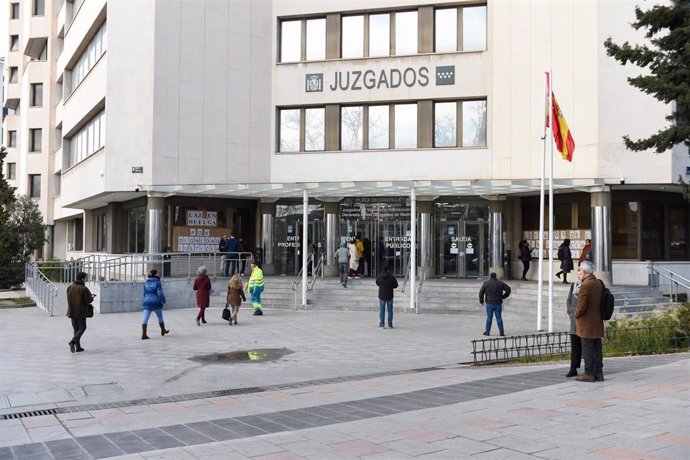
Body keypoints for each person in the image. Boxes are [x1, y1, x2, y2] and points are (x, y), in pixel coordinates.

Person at [574, 260, 605, 382]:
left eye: (580, 270)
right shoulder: (598, 283)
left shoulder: (585, 285)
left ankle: (589, 373)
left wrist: (576, 314)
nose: (579, 272)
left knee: (587, 348)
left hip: (586, 323)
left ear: (585, 271)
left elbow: (582, 305)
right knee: (597, 348)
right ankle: (599, 372)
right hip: (597, 321)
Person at [66, 271, 95, 353]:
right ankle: (73, 341)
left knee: (76, 329)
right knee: (82, 327)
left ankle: (78, 347)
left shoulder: (70, 287)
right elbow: (88, 300)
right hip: (81, 311)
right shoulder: (83, 288)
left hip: (71, 311)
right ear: (82, 278)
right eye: (85, 278)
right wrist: (92, 297)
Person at [478, 272, 511, 336]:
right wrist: (503, 296)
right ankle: (501, 332)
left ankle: (487, 332)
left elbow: (481, 293)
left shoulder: (486, 283)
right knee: (499, 318)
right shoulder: (500, 283)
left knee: (489, 318)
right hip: (498, 303)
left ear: (490, 276)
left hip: (489, 303)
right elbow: (508, 290)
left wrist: (481, 301)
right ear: (496, 276)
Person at [141, 269, 169, 339]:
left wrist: (146, 299)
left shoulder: (146, 282)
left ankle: (144, 334)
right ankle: (163, 330)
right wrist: (164, 302)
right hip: (156, 302)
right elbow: (160, 293)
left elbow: (144, 293)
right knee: (160, 317)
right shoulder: (157, 282)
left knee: (145, 318)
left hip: (147, 302)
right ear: (156, 274)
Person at [565, 278, 583, 377]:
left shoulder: (587, 285)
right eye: (578, 271)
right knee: (575, 345)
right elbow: (569, 300)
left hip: (583, 319)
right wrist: (570, 311)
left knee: (585, 345)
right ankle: (573, 368)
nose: (579, 274)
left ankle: (591, 368)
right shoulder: (574, 285)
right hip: (573, 320)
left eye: (581, 271)